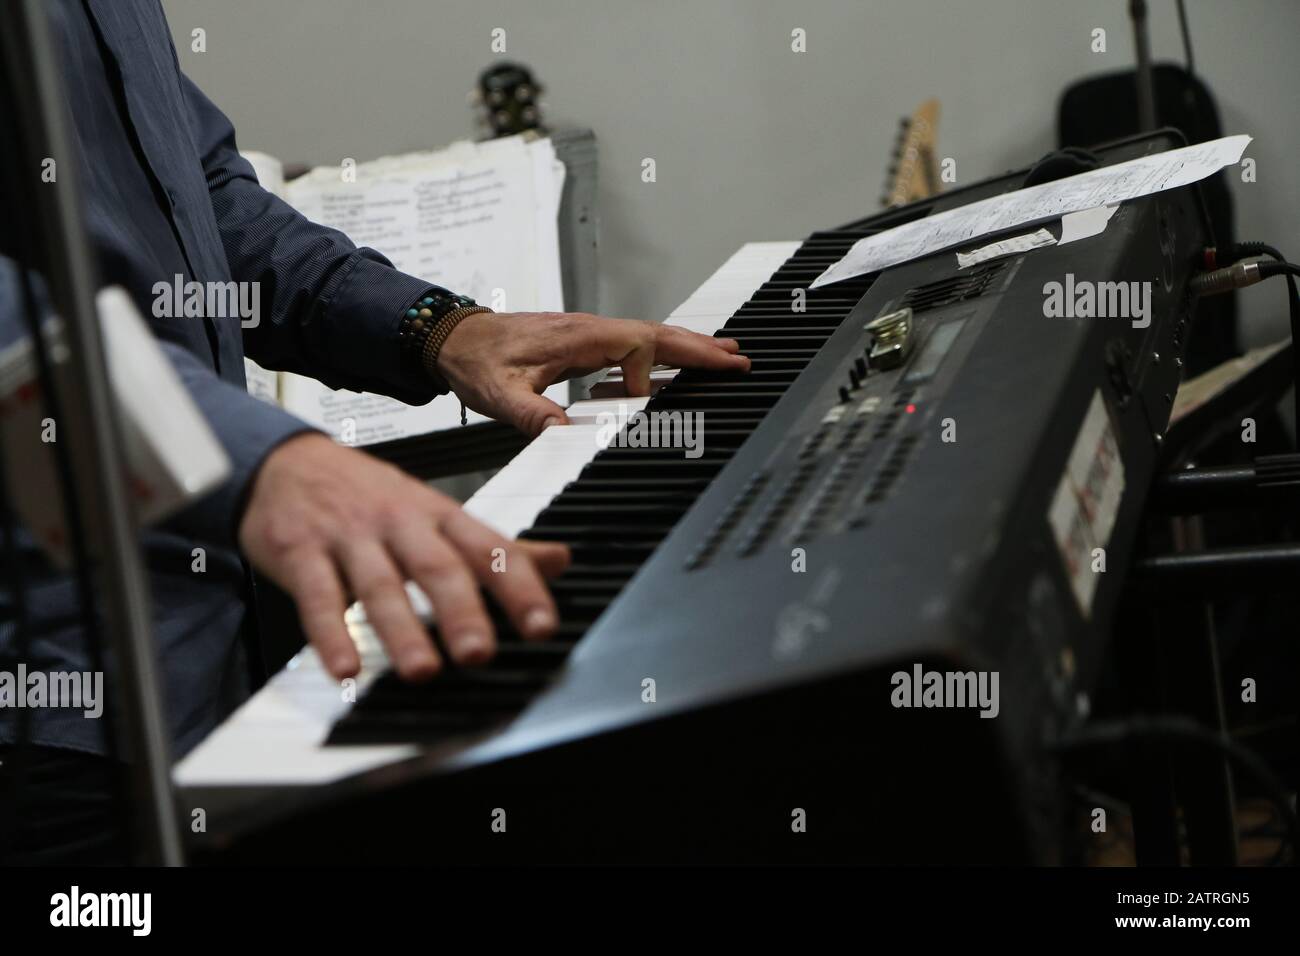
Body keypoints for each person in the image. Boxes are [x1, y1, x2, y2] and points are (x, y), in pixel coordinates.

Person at [0, 0, 748, 863]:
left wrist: (438, 329)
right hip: (52, 708)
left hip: (216, 645)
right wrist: (261, 467)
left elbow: (199, 195)